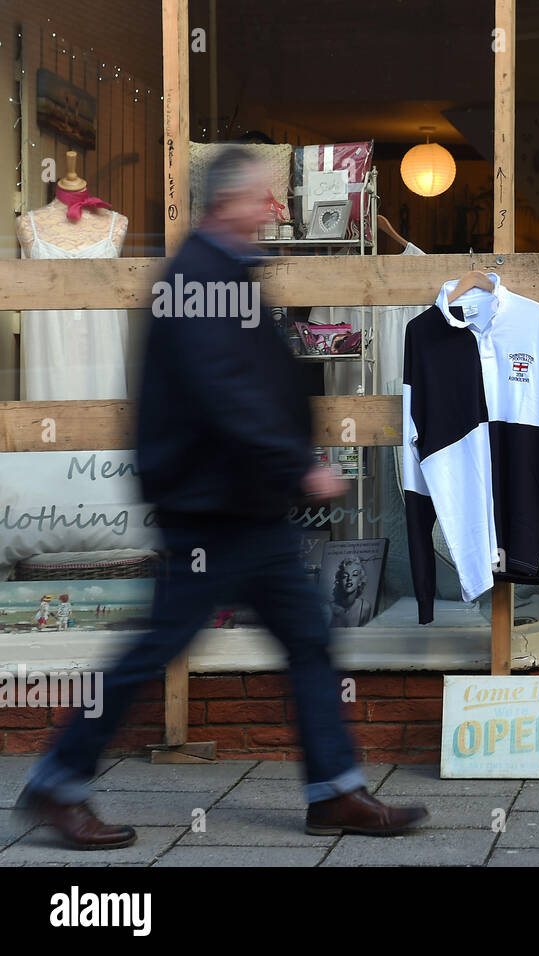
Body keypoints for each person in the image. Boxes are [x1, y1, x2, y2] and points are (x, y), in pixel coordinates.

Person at [17, 147, 428, 849]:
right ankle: (58, 780)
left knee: (305, 637)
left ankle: (334, 791)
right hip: (211, 509)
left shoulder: (223, 271)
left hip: (243, 505)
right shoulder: (199, 277)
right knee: (157, 649)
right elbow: (224, 393)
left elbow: (246, 385)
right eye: (264, 198)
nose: (274, 210)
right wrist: (300, 463)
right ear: (229, 204)